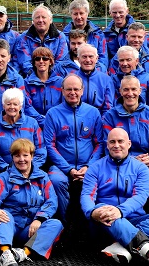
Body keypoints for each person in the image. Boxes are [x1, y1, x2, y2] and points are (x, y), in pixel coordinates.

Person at [80, 128, 149, 264]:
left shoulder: (140, 168)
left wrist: (120, 211)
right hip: (105, 223)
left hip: (133, 219)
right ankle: (142, 244)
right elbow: (87, 196)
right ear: (107, 145)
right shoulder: (95, 167)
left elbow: (140, 196)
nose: (116, 145)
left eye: (120, 141)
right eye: (112, 142)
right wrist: (92, 212)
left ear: (129, 144)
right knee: (102, 208)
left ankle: (120, 246)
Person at [0, 138, 63, 266]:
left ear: (32, 156)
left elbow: (51, 201)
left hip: (30, 228)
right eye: (17, 156)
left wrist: (39, 219)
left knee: (55, 224)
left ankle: (22, 253)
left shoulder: (43, 177)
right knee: (1, 216)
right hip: (9, 227)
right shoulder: (3, 178)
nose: (21, 159)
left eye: (25, 155)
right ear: (12, 158)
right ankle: (5, 254)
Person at [102, 75, 149, 210]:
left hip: (146, 161)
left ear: (140, 91)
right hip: (119, 161)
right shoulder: (110, 116)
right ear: (120, 92)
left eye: (133, 89)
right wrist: (130, 160)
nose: (130, 93)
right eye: (126, 90)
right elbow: (107, 145)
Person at [44, 74, 104, 222]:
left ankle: (91, 222)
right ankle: (65, 223)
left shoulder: (93, 112)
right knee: (56, 180)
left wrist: (89, 166)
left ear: (82, 91)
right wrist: (68, 169)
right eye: (69, 89)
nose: (73, 92)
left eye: (76, 89)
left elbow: (100, 143)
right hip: (62, 166)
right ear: (62, 91)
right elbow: (50, 145)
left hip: (88, 165)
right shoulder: (53, 114)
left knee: (98, 179)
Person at [0, 88, 45, 171]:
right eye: (8, 104)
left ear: (21, 106)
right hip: (5, 171)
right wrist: (8, 169)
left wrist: (30, 168)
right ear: (3, 106)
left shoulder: (32, 123)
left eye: (15, 104)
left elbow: (41, 149)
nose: (12, 107)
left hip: (31, 170)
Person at [13, 4, 70, 77]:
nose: (40, 20)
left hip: (54, 78)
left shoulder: (60, 37)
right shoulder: (24, 37)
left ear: (50, 20)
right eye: (37, 17)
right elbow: (25, 62)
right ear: (33, 21)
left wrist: (48, 77)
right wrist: (37, 78)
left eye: (43, 17)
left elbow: (61, 61)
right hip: (31, 79)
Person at [63, 0, 108, 72]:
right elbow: (64, 57)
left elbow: (103, 58)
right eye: (75, 14)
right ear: (71, 14)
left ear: (87, 13)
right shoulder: (64, 35)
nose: (79, 17)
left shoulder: (98, 34)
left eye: (81, 13)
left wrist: (93, 72)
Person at [24, 47, 64, 128]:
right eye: (38, 59)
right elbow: (27, 106)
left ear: (50, 62)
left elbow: (64, 104)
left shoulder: (60, 82)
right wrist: (42, 120)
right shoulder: (26, 83)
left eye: (45, 58)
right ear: (34, 63)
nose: (41, 61)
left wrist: (53, 120)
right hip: (34, 124)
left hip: (56, 123)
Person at [73, 44, 115, 115]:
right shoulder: (71, 79)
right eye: (84, 57)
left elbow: (108, 107)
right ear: (78, 59)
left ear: (97, 58)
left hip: (99, 119)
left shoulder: (106, 80)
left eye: (91, 56)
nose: (88, 60)